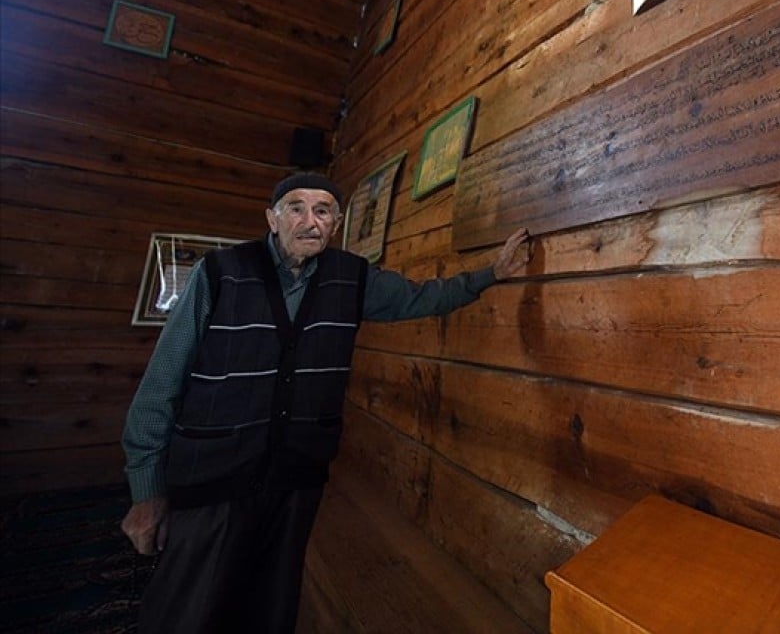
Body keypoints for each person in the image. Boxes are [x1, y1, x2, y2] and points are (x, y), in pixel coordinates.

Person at [120, 172, 531, 633]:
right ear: (272, 218)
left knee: (269, 609)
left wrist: (492, 274)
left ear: (335, 223)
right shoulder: (219, 273)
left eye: (323, 210)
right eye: (296, 207)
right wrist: (147, 489)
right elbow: (161, 384)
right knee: (187, 612)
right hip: (213, 479)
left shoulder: (352, 279)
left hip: (294, 481)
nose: (310, 220)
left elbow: (424, 297)